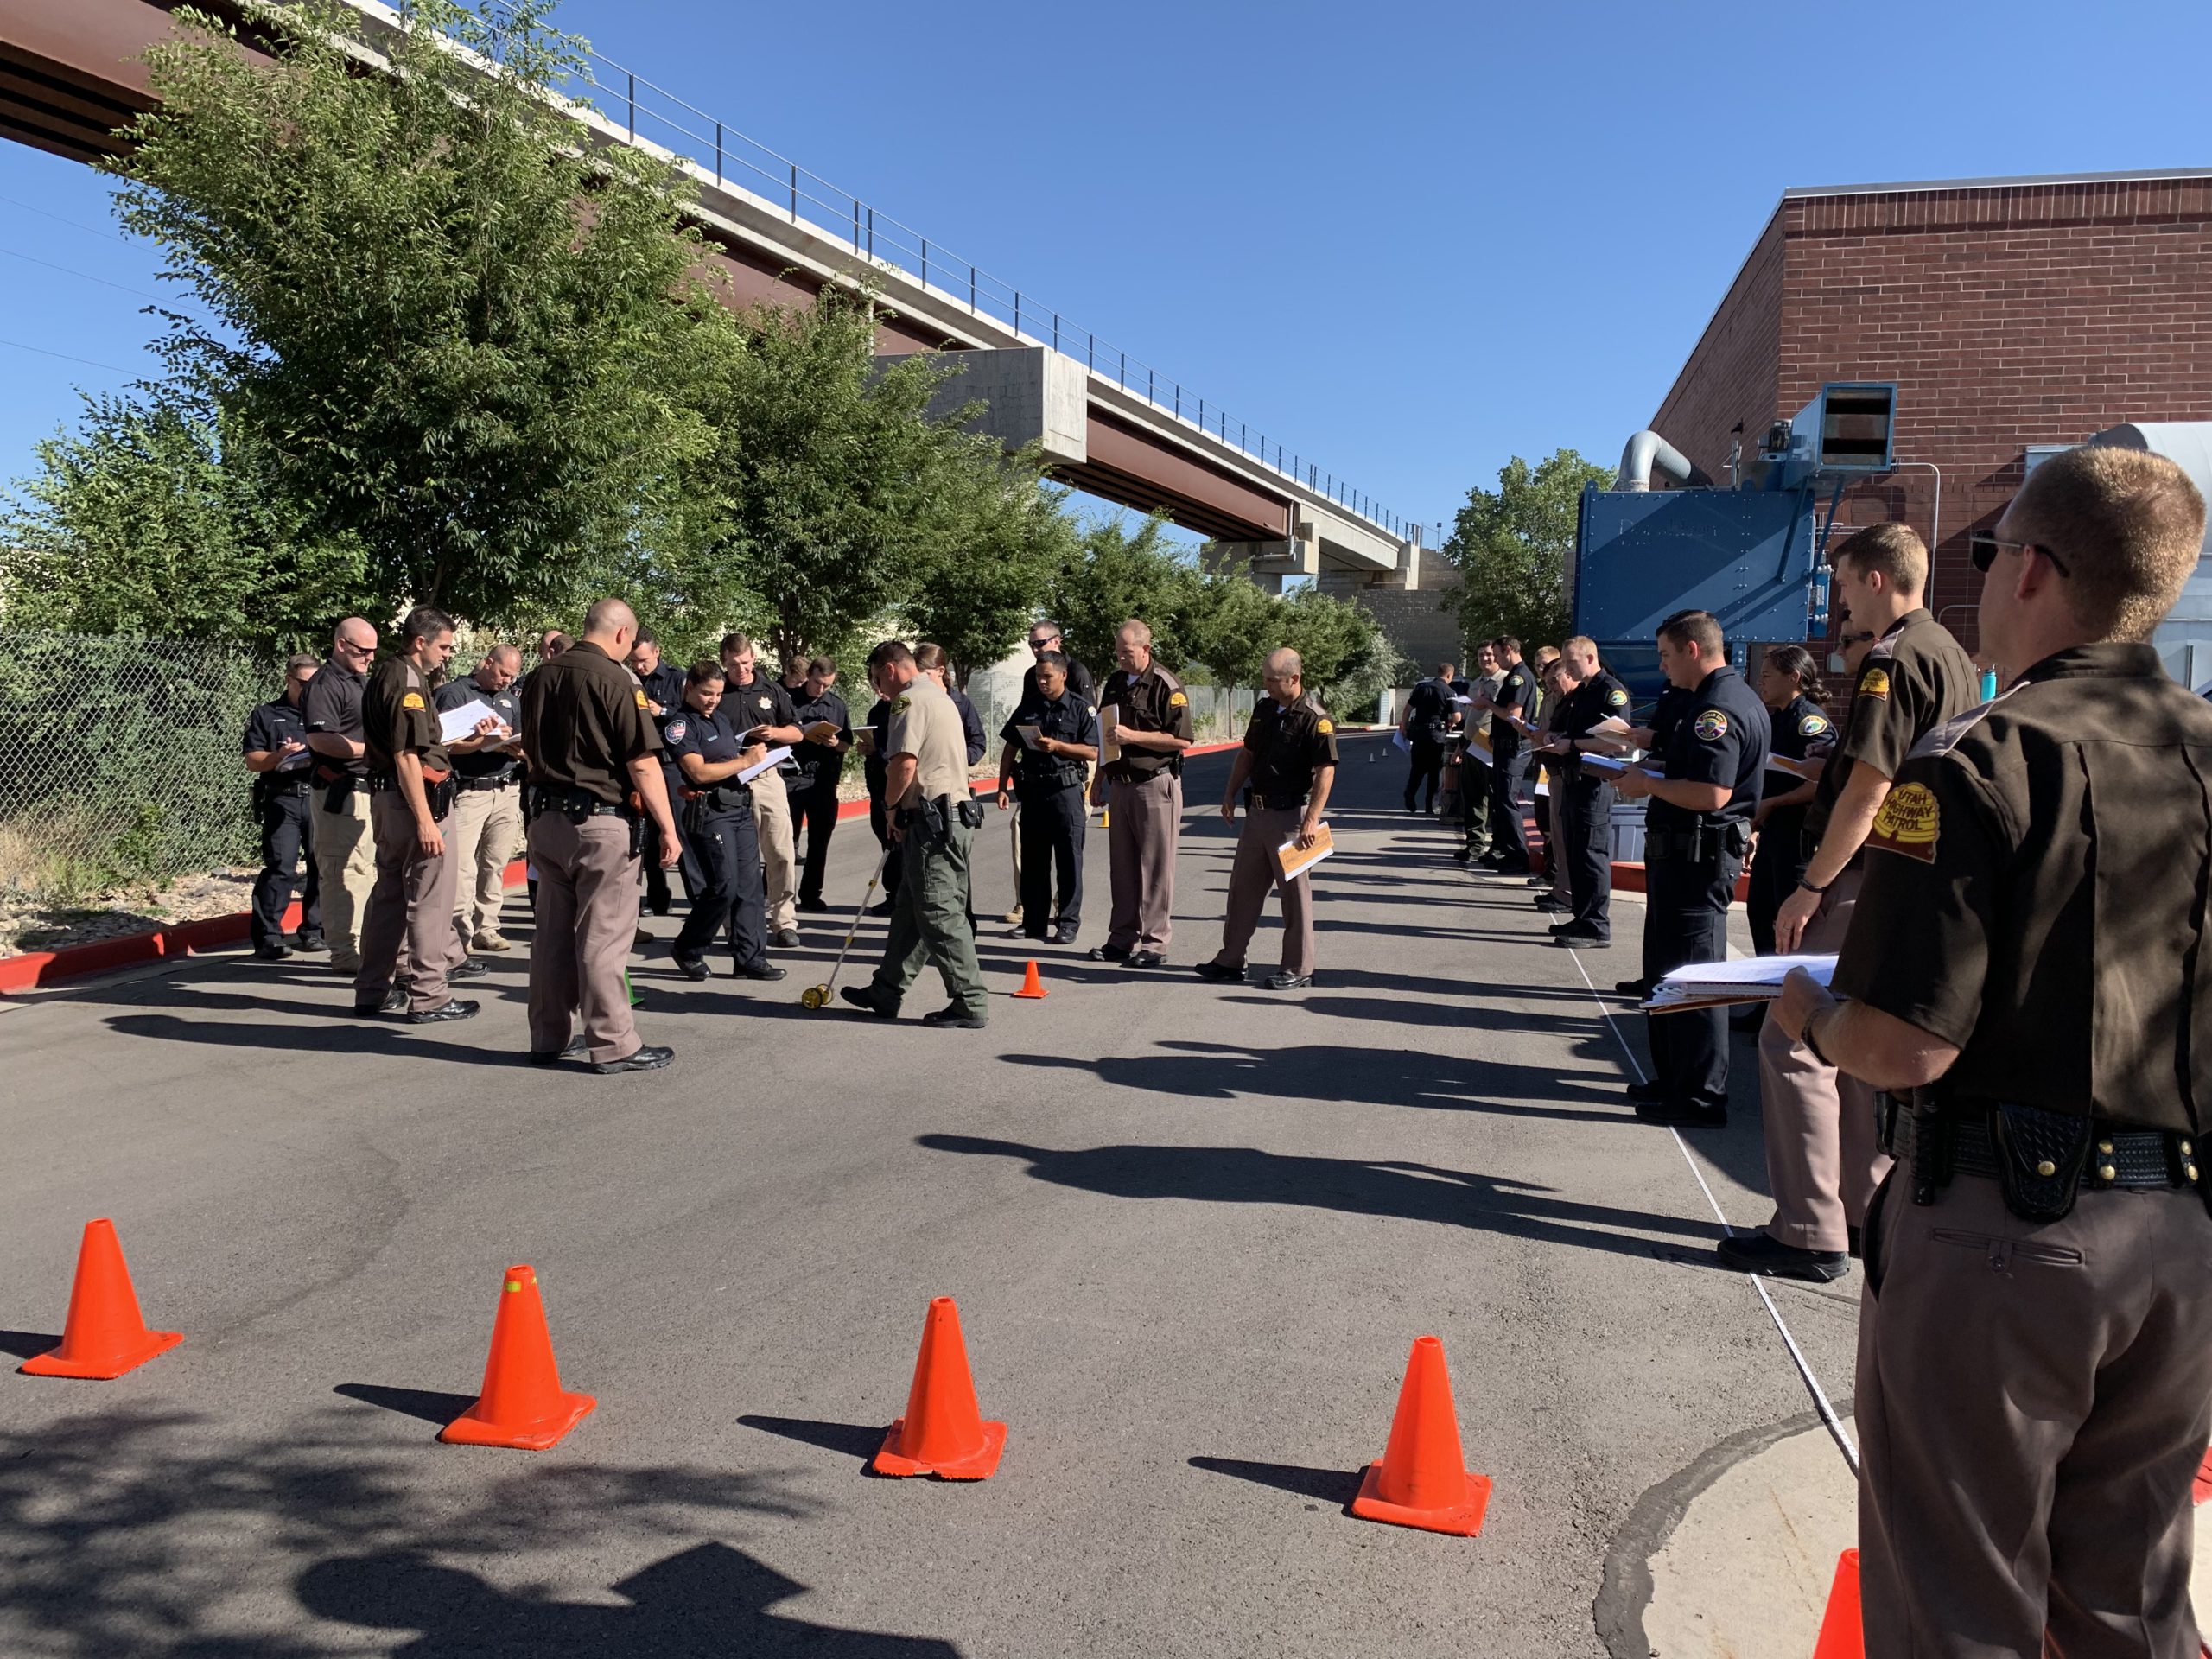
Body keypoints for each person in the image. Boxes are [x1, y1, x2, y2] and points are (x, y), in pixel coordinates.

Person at [1771, 444, 2212, 1657]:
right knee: (2130, 1602)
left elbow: (1906, 1045)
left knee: (1959, 1604)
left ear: (2031, 570)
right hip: (2177, 1241)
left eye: (1990, 549)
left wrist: (1806, 1009)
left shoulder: (1978, 759)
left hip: (2004, 1238)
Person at [1726, 524, 1980, 1281]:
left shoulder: (1892, 658)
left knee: (1795, 1036)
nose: (1839, 603)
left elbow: (1870, 784)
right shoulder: (1952, 657)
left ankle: (1808, 1227)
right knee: (1860, 1048)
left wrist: (1811, 885)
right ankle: (1863, 1213)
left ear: (1874, 579)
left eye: (1841, 585)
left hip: (1863, 876)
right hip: (1914, 878)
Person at [1608, 611, 1767, 1127]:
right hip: (1683, 856)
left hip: (1698, 859)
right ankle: (1675, 1080)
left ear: (1692, 650)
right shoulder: (1714, 700)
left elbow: (1712, 792)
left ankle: (1700, 1097)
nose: (1662, 665)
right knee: (1670, 974)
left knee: (1696, 979)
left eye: (1666, 655)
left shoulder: (1716, 709)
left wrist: (1647, 785)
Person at [522, 599, 683, 1072]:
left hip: (545, 820)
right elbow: (642, 761)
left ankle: (548, 1037)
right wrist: (668, 827)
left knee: (551, 935)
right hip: (599, 822)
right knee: (603, 937)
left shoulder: (539, 677)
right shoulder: (616, 678)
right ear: (621, 633)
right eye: (631, 641)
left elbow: (527, 750)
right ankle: (614, 1043)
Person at [355, 607, 495, 1023]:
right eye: (444, 646)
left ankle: (372, 990)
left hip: (391, 799)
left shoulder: (389, 673)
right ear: (421, 642)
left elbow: (422, 745)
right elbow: (406, 756)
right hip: (415, 801)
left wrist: (468, 742)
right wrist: (425, 820)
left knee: (389, 898)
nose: (449, 654)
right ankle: (430, 996)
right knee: (429, 902)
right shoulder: (409, 682)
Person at [841, 641, 989, 1028]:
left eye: (877, 679)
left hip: (932, 821)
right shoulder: (938, 696)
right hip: (949, 817)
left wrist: (890, 809)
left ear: (890, 669)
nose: (878, 689)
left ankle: (969, 1000)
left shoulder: (908, 701)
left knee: (940, 914)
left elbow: (904, 763)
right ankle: (886, 990)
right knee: (910, 911)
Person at [1194, 647, 1338, 989]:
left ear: (1295, 678)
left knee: (1295, 898)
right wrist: (1229, 793)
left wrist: (1310, 821)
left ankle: (1298, 967)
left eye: (1273, 680)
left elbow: (1325, 772)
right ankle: (1231, 959)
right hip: (1257, 813)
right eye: (1264, 679)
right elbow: (1248, 753)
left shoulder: (1315, 718)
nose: (1267, 685)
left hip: (1292, 818)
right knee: (1242, 890)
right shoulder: (1264, 709)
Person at [664, 662, 782, 983]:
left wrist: (751, 762)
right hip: (711, 812)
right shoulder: (680, 725)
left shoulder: (720, 719)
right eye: (706, 693)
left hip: (738, 807)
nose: (713, 700)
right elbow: (698, 772)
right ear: (689, 687)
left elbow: (727, 762)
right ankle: (689, 946)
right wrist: (744, 761)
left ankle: (750, 957)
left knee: (749, 886)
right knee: (723, 887)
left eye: (717, 694)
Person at [1090, 619, 1195, 967]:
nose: (1120, 658)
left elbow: (1181, 740)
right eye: (1118, 651)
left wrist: (1133, 737)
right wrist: (1097, 780)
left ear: (1146, 649)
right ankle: (1121, 938)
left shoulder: (1166, 685)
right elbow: (1107, 734)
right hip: (1120, 787)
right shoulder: (1116, 683)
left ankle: (1154, 944)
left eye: (1127, 652)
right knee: (1122, 869)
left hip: (1155, 785)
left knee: (1156, 868)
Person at [995, 650, 1098, 945]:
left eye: (1048, 676)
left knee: (1068, 861)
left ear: (1064, 675)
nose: (1042, 681)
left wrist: (1058, 747)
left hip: (1066, 792)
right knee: (1034, 861)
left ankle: (1067, 923)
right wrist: (1003, 787)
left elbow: (1093, 751)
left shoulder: (1081, 709)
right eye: (1039, 676)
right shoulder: (1029, 707)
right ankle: (1034, 923)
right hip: (1034, 792)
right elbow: (1010, 748)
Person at [300, 618, 382, 973]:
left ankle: (364, 946)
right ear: (341, 645)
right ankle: (346, 953)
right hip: (341, 790)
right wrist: (372, 751)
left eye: (374, 651)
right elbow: (321, 739)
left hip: (368, 791)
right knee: (343, 872)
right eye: (363, 650)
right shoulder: (325, 684)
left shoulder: (359, 681)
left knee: (366, 872)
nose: (370, 657)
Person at [433, 645, 524, 956]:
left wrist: (518, 748)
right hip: (470, 790)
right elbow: (444, 744)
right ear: (487, 662)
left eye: (512, 676)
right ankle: (460, 931)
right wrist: (481, 742)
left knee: (495, 862)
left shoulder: (510, 700)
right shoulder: (454, 694)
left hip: (506, 788)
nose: (506, 681)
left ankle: (488, 927)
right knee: (461, 865)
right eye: (502, 673)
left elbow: (522, 740)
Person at [1542, 636, 1631, 949]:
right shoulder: (1582, 692)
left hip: (1594, 783)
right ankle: (1582, 916)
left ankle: (1596, 924)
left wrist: (1574, 744)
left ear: (1590, 657)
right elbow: (1578, 732)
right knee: (1577, 852)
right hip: (1573, 779)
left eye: (1571, 662)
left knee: (1592, 854)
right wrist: (1561, 737)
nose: (1566, 668)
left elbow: (1619, 742)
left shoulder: (1610, 692)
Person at [1745, 645, 1832, 957]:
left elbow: (1822, 784)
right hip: (1772, 835)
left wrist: (1772, 804)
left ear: (1794, 677)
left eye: (1767, 675)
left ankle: (1788, 998)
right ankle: (1763, 1001)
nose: (1761, 682)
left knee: (1790, 928)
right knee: (1761, 913)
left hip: (1797, 839)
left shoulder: (1810, 722)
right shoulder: (1777, 719)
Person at [720, 633, 804, 948]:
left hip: (768, 777)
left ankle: (784, 920)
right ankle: (736, 926)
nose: (739, 670)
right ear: (723, 664)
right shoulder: (718, 692)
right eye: (732, 665)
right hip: (730, 778)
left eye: (744, 663)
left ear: (753, 658)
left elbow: (797, 732)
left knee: (781, 851)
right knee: (735, 860)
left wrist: (775, 732)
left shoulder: (772, 690)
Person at [243, 652, 324, 960]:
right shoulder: (266, 714)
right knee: (281, 867)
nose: (309, 689)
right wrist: (279, 757)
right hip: (284, 797)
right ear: (289, 680)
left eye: (315, 683)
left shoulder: (324, 713)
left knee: (321, 865)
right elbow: (253, 760)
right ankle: (269, 936)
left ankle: (314, 930)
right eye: (304, 683)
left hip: (318, 795)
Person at [627, 630, 690, 919]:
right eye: (634, 661)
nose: (639, 666)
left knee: (679, 828)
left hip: (670, 764)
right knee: (649, 834)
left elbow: (690, 716)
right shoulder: (629, 680)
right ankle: (657, 896)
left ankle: (697, 895)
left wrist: (662, 710)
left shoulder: (677, 679)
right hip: (641, 761)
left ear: (657, 651)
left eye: (642, 660)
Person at [790, 656, 853, 913]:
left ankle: (811, 893)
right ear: (809, 676)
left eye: (827, 685)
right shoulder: (789, 699)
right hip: (792, 778)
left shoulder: (837, 705)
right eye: (817, 683)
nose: (821, 689)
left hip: (823, 781)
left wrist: (834, 744)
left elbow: (847, 743)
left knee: (819, 842)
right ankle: (772, 892)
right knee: (783, 840)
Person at [1470, 636, 1536, 875]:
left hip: (1513, 747)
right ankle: (1507, 851)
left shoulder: (1519, 677)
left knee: (1507, 802)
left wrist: (1487, 703)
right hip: (1503, 745)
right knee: (1501, 800)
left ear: (1508, 651)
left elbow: (1512, 714)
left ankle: (1519, 856)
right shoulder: (1514, 675)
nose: (1495, 659)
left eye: (1497, 655)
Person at [1453, 642, 1503, 865]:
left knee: (1494, 799)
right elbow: (1470, 717)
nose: (1485, 658)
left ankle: (1498, 846)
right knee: (1472, 797)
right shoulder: (1475, 684)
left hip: (1491, 748)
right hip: (1471, 746)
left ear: (1498, 656)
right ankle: (1474, 844)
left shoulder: (1505, 681)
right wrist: (1460, 745)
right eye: (1481, 654)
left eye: (1490, 654)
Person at [1400, 661, 1459, 814]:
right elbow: (1457, 717)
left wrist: (1404, 726)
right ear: (1449, 675)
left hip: (1419, 735)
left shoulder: (1421, 688)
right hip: (1437, 737)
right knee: (1434, 772)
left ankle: (1410, 793)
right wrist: (1452, 721)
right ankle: (1430, 805)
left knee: (1417, 769)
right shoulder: (1449, 692)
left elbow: (1408, 708)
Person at [916, 643, 987, 766]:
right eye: (917, 675)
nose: (920, 679)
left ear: (941, 671)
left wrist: (958, 759)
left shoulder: (961, 703)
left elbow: (978, 743)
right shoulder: (915, 703)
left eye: (926, 674)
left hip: (954, 779)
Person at [1019, 619, 1098, 707]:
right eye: (1031, 644)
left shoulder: (1076, 672)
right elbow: (1023, 713)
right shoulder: (1031, 675)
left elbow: (1088, 714)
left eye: (1039, 643)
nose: (1035, 649)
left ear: (1056, 642)